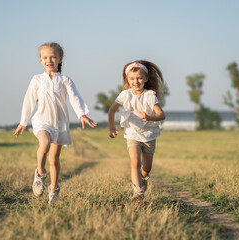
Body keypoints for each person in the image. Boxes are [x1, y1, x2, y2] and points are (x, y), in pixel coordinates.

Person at [14, 42, 97, 205]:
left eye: (53, 57)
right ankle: (40, 174)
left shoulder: (65, 80)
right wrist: (23, 121)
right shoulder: (37, 79)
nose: (49, 60)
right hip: (42, 120)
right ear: (40, 60)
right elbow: (29, 100)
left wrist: (82, 114)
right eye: (45, 57)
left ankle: (53, 189)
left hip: (59, 123)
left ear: (60, 59)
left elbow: (74, 97)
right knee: (44, 145)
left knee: (54, 159)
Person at [108, 60, 166, 203]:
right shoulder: (124, 95)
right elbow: (112, 110)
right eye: (132, 78)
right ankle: (138, 193)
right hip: (132, 133)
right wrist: (112, 128)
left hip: (148, 135)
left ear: (146, 79)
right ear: (128, 79)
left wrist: (150, 117)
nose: (136, 81)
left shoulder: (150, 96)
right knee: (135, 162)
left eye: (139, 78)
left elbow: (161, 115)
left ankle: (143, 178)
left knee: (146, 168)